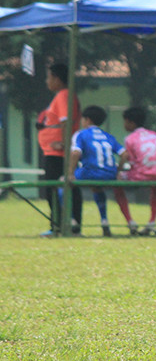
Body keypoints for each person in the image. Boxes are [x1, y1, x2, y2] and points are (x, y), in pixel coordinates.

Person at [69, 106, 138, 237]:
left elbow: (75, 152)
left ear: (87, 120)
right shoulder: (108, 136)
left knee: (62, 185)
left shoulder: (81, 134)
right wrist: (118, 171)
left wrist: (70, 173)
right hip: (110, 174)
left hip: (90, 172)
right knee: (97, 188)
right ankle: (104, 221)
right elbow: (124, 154)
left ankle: (72, 219)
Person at [36, 62, 83, 236]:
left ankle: (59, 226)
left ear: (57, 78)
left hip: (57, 154)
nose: (47, 82)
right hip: (53, 152)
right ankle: (65, 224)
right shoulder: (61, 95)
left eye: (48, 78)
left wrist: (64, 143)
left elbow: (65, 121)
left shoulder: (64, 95)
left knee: (55, 188)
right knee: (59, 188)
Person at [114, 107, 156, 235]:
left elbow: (132, 161)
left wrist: (120, 171)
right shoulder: (155, 135)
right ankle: (151, 222)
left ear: (130, 122)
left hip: (142, 175)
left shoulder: (130, 138)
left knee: (116, 184)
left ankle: (130, 222)